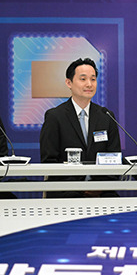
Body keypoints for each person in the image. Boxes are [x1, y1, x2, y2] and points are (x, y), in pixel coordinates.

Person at [39, 58, 121, 197]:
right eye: (83, 79)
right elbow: (49, 161)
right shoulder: (55, 117)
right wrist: (79, 187)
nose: (89, 84)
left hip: (101, 191)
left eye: (93, 79)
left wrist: (99, 187)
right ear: (69, 83)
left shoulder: (106, 116)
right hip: (66, 191)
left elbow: (114, 157)